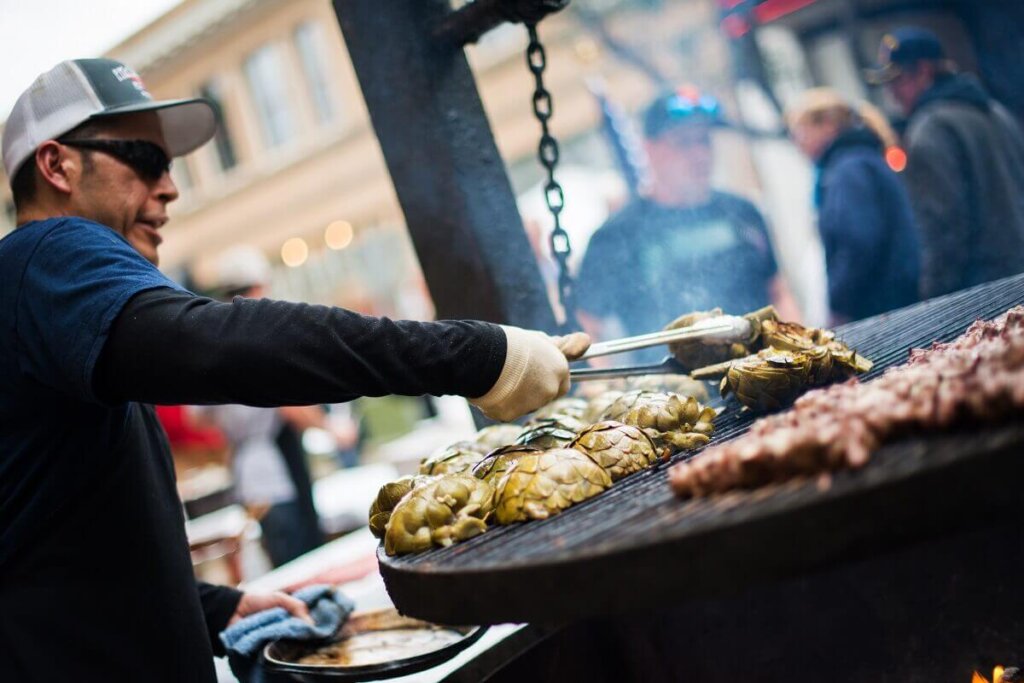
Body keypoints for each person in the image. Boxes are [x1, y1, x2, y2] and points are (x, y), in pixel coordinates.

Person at [0, 58, 587, 682]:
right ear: (56, 164)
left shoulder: (47, 306)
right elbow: (223, 345)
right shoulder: (45, 256)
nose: (169, 187)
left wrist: (216, 609)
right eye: (145, 160)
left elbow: (66, 542)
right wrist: (476, 356)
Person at [576, 87, 800, 358]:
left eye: (704, 140)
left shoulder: (742, 211)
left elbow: (778, 292)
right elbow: (587, 328)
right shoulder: (616, 236)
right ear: (650, 149)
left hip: (767, 376)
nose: (699, 154)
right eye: (683, 142)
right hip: (675, 394)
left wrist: (799, 348)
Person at [866, 26, 1024, 299]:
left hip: (988, 295)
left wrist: (934, 297)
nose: (891, 93)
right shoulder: (995, 111)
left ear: (924, 70)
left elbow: (943, 230)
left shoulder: (930, 128)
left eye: (898, 80)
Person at [786, 88, 920, 324]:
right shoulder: (860, 160)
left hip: (882, 311)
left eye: (801, 132)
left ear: (827, 125)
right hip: (896, 303)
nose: (798, 144)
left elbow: (858, 242)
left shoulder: (848, 169)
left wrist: (839, 306)